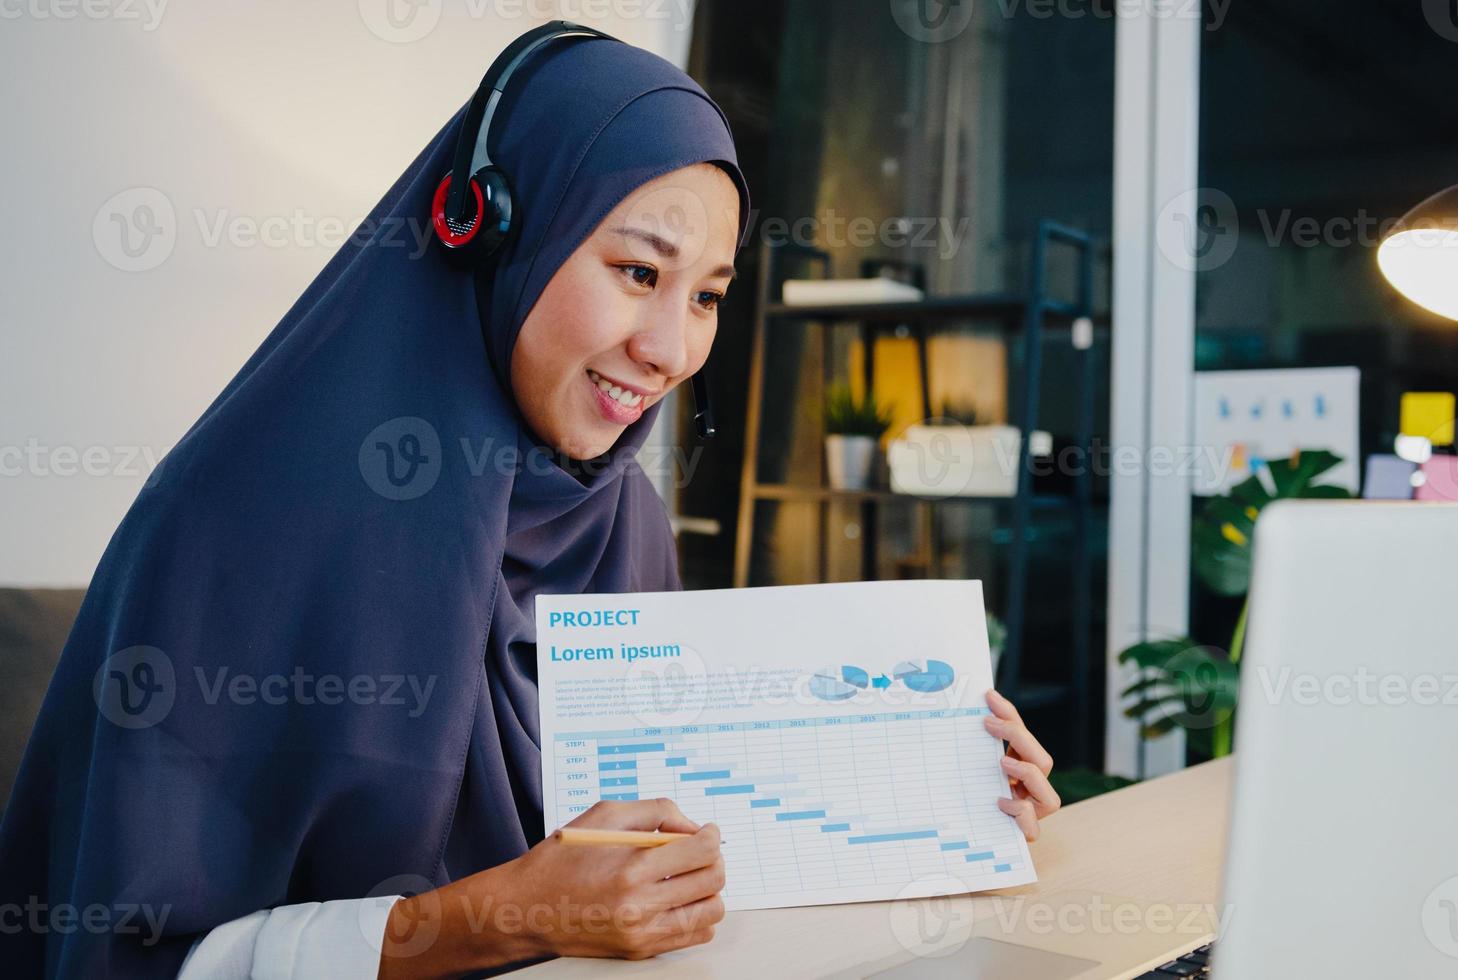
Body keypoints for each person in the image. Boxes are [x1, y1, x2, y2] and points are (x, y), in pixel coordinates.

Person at [0, 29, 1061, 979]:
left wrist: (935, 792)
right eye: (636, 270)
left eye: (705, 296)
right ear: (495, 232)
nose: (670, 350)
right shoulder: (232, 520)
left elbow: (679, 836)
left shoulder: (614, 515)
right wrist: (503, 916)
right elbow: (143, 956)